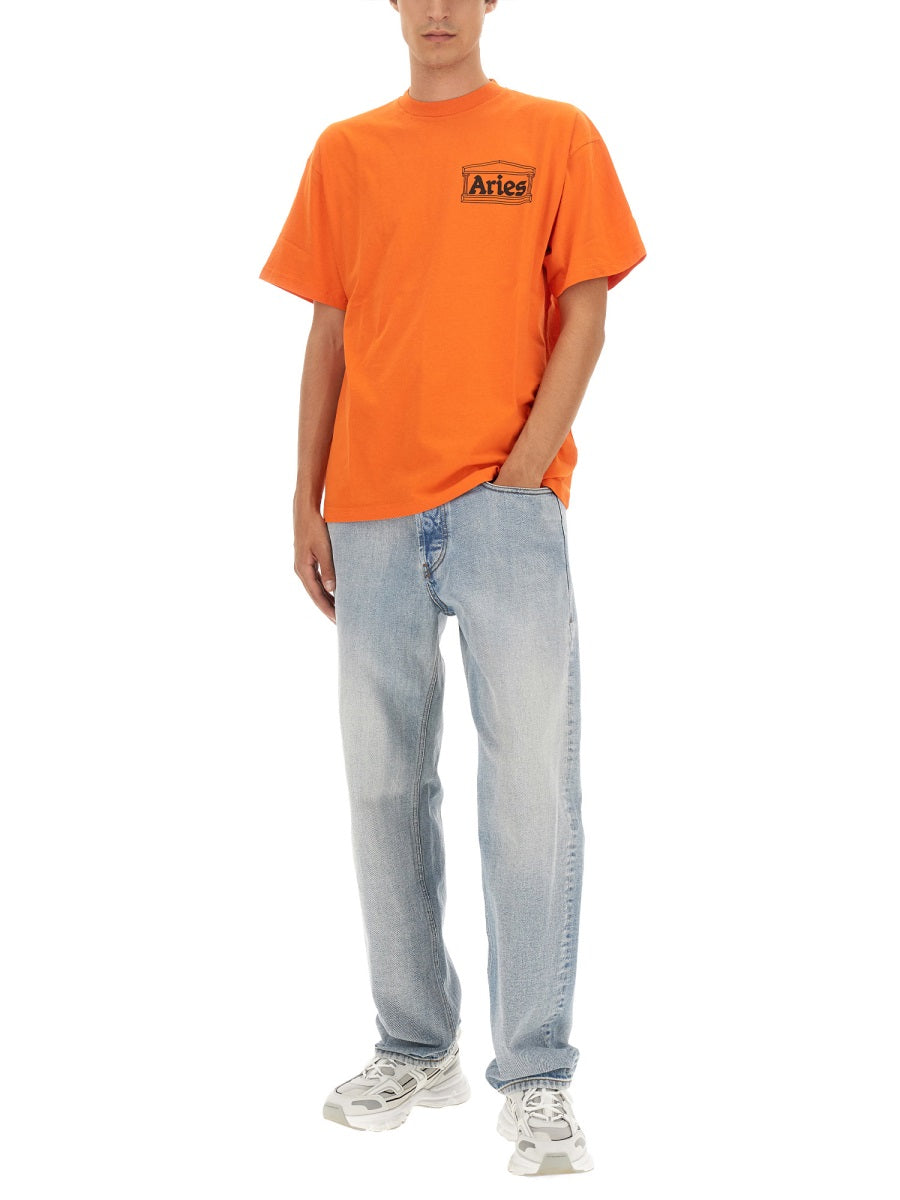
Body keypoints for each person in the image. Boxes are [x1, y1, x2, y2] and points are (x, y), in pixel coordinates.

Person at [259, 0, 645, 1177]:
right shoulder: (346, 151)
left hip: (502, 505)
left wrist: (523, 468)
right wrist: (305, 497)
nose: (436, 9)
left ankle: (537, 1076)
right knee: (383, 783)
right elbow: (329, 332)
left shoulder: (555, 134)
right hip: (369, 512)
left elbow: (587, 311)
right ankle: (415, 1046)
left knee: (529, 789)